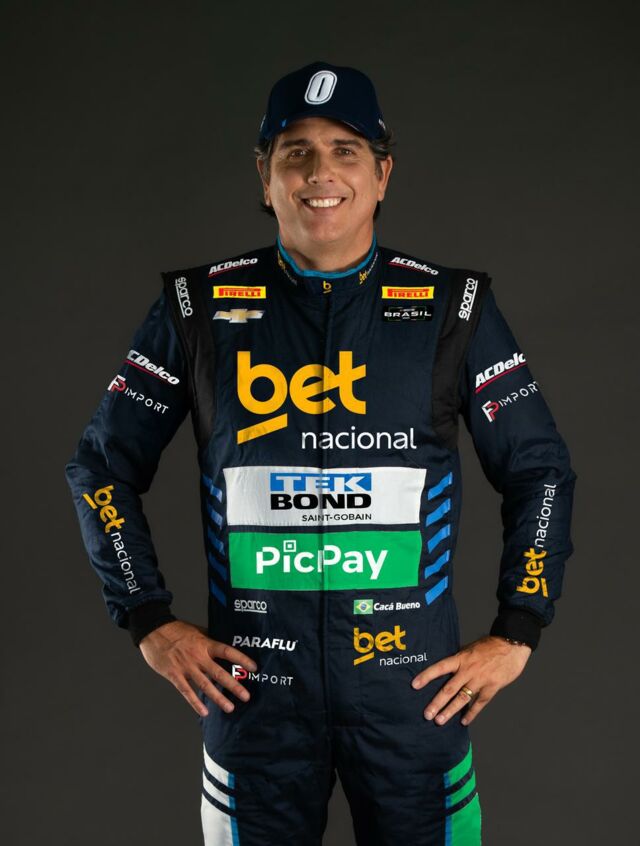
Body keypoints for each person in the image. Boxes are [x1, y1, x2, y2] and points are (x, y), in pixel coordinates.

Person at [66, 61, 576, 846]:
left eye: (345, 149)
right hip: (255, 701)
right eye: (295, 151)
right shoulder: (196, 307)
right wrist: (148, 619)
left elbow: (540, 470)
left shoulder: (454, 308)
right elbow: (102, 466)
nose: (320, 173)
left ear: (382, 173)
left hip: (411, 701)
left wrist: (519, 627)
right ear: (264, 175)